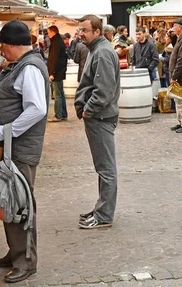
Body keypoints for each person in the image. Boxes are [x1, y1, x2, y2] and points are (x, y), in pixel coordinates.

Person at [0, 20, 49, 284]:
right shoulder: (20, 65)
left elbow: (37, 109)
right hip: (12, 148)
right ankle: (16, 251)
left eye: (2, 47)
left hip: (18, 148)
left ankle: (26, 261)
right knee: (9, 201)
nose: (1, 52)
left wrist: (7, 130)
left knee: (20, 205)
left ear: (8, 45)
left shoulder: (29, 68)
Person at [75, 14, 121, 229]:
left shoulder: (101, 52)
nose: (80, 34)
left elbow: (104, 91)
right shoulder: (98, 50)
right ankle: (101, 209)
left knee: (106, 168)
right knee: (103, 167)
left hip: (100, 117)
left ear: (97, 31)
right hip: (99, 116)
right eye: (80, 30)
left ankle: (104, 216)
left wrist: (88, 111)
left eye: (84, 30)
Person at [47, 25, 68, 122]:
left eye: (49, 32)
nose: (48, 34)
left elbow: (54, 59)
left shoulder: (56, 43)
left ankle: (58, 115)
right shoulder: (58, 41)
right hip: (59, 72)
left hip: (56, 73)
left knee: (57, 94)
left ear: (53, 32)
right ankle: (63, 114)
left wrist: (52, 73)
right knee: (60, 93)